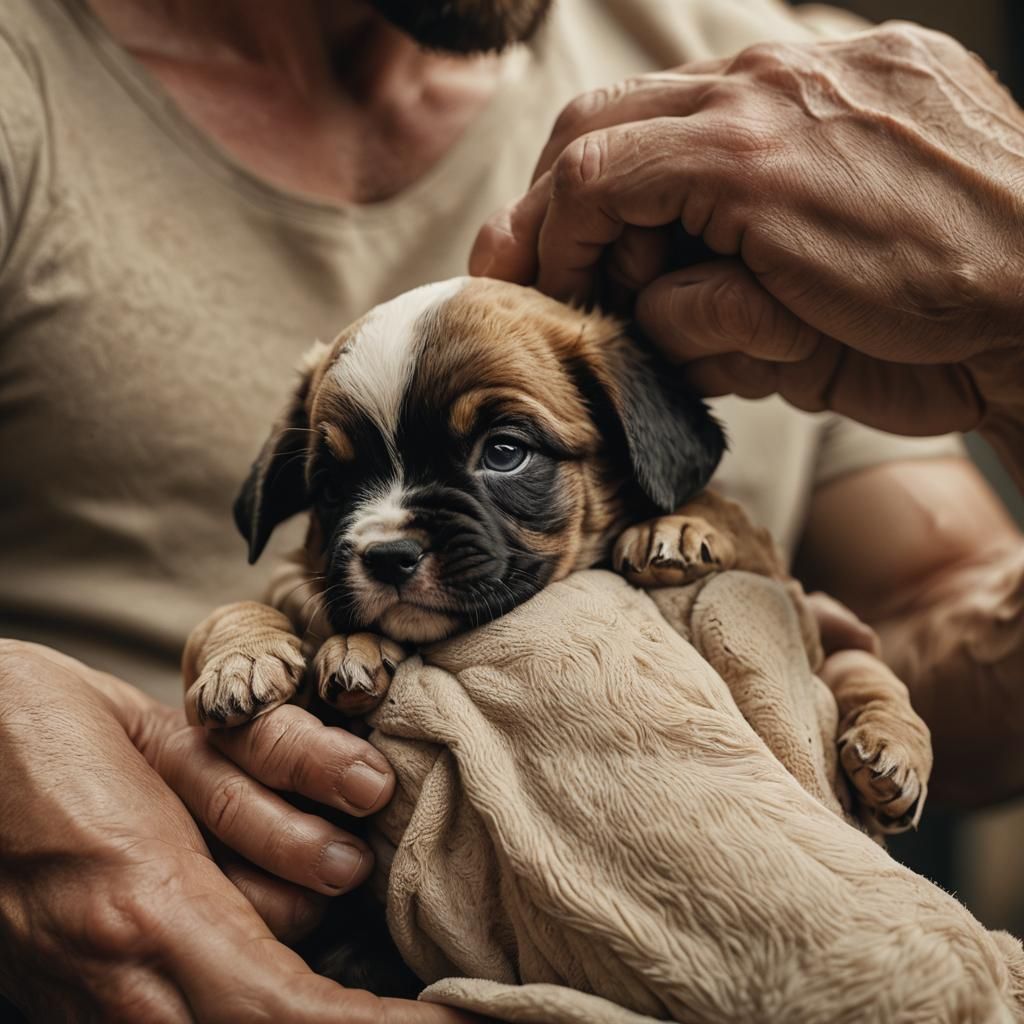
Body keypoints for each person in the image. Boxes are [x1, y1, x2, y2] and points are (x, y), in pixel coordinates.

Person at [0, 1, 1020, 1021]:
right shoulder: (26, 83)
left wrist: (1015, 327)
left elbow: (942, 615)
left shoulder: (808, 101)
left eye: (504, 451)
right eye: (340, 481)